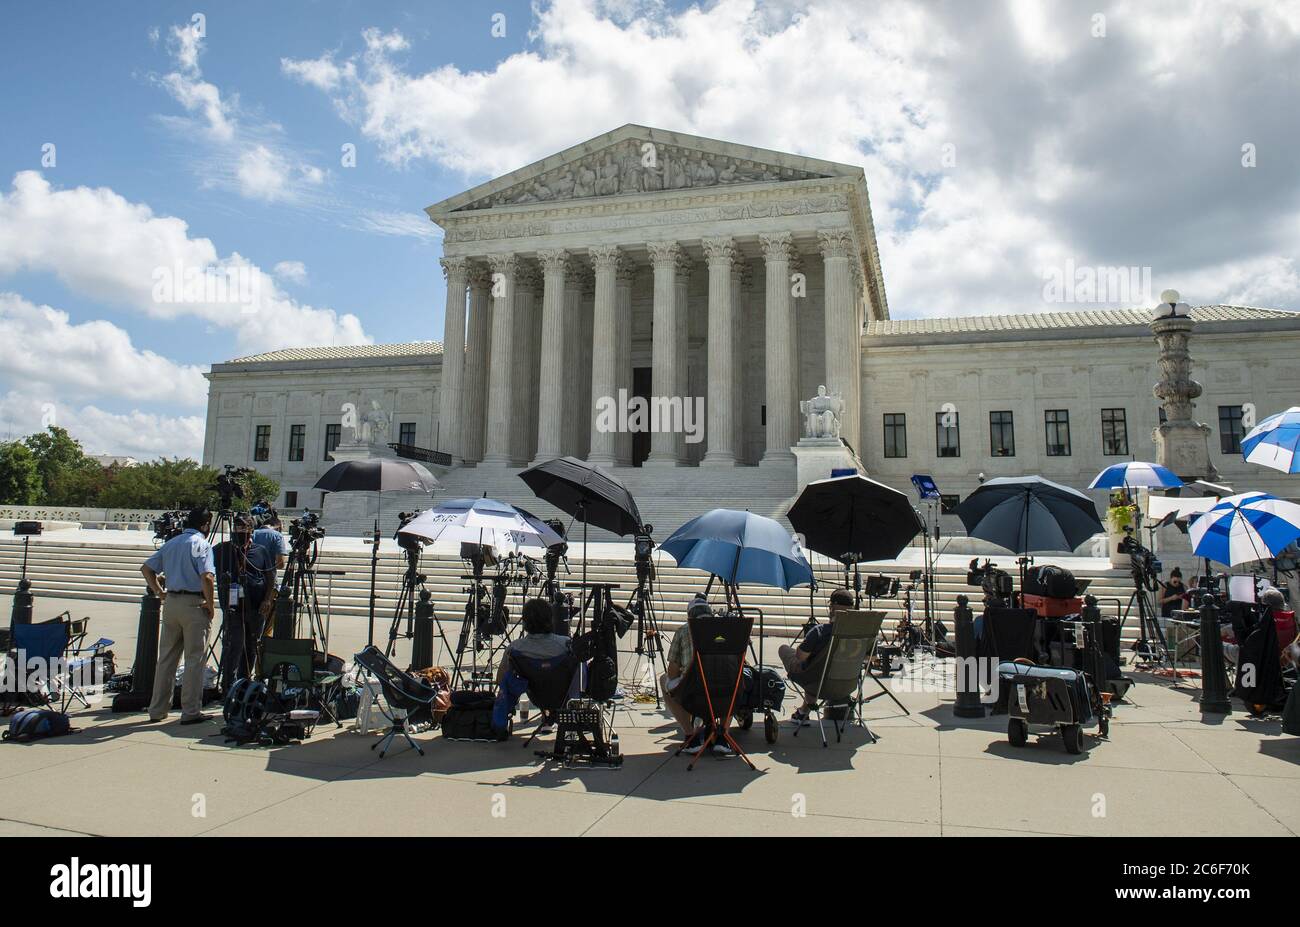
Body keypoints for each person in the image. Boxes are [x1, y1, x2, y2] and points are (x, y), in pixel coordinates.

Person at [140, 506, 217, 725]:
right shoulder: (202, 544)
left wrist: (159, 592)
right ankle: (190, 710)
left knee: (166, 659)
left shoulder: (171, 543)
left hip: (172, 602)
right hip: (194, 604)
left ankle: (157, 709)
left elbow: (146, 569)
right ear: (205, 525)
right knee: (195, 659)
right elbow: (208, 577)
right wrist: (210, 604)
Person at [660, 594, 735, 755]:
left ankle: (690, 736)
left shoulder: (683, 631)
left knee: (664, 680)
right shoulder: (727, 629)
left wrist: (684, 668)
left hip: (695, 693)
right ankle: (724, 736)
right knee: (733, 679)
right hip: (726, 693)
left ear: (689, 617)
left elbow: (672, 673)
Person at [212, 514, 276, 693]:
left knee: (251, 644)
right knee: (234, 644)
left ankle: (245, 682)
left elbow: (270, 577)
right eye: (237, 527)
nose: (240, 530)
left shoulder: (260, 550)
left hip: (256, 607)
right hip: (233, 607)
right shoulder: (221, 550)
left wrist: (267, 599)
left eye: (244, 527)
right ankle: (228, 684)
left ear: (251, 530)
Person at [494, 598, 573, 735]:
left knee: (508, 680)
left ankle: (500, 722)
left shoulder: (515, 648)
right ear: (551, 619)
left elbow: (500, 679)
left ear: (525, 622)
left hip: (535, 694)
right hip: (563, 695)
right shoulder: (566, 644)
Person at [780, 587, 855, 725]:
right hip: (847, 684)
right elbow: (871, 659)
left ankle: (803, 713)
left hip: (817, 683)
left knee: (784, 650)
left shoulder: (819, 631)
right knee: (816, 666)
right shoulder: (859, 634)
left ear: (832, 608)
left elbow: (801, 657)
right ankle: (803, 712)